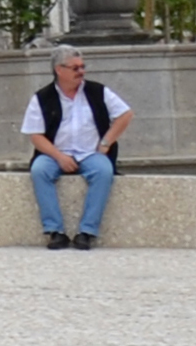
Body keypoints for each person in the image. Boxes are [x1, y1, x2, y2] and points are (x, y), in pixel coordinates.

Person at [27, 46, 130, 247]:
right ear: (59, 70)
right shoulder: (42, 97)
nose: (81, 72)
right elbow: (35, 136)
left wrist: (106, 142)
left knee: (103, 171)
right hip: (55, 153)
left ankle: (87, 231)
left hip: (91, 153)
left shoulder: (97, 91)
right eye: (75, 68)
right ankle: (55, 230)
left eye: (82, 67)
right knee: (39, 170)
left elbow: (125, 115)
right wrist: (59, 157)